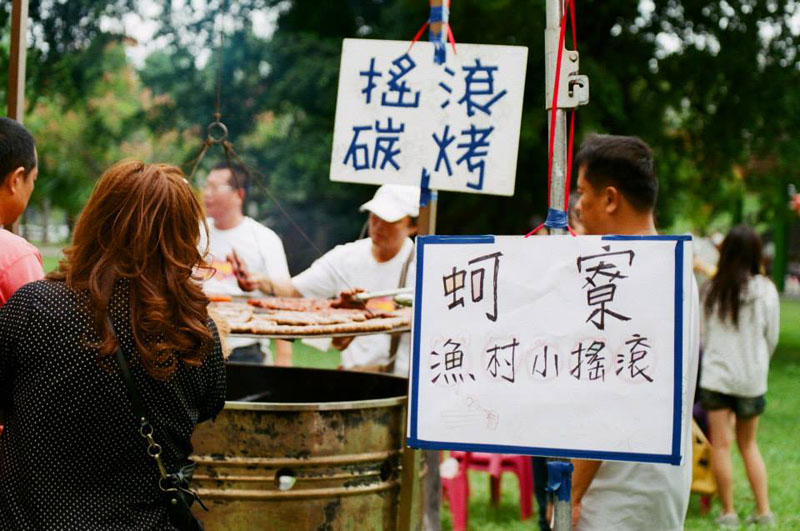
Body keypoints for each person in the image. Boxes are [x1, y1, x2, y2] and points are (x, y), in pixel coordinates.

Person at [0, 160, 226, 528]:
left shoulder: (34, 309)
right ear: (185, 236)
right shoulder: (195, 332)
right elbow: (209, 406)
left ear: (96, 221)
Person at [570, 134, 700, 530]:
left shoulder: (618, 279)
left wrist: (572, 493)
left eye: (582, 193)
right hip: (661, 485)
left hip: (616, 494)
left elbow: (607, 399)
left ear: (610, 199)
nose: (577, 207)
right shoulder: (674, 265)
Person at [232, 183, 419, 376]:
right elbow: (294, 291)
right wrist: (258, 281)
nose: (378, 226)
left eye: (389, 220)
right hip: (355, 374)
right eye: (374, 217)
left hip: (404, 378)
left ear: (412, 226)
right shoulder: (346, 257)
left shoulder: (421, 265)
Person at [699, 225, 779, 528]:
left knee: (721, 446)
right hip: (750, 379)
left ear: (726, 251)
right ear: (755, 253)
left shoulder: (711, 289)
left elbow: (704, 333)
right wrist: (758, 362)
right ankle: (763, 511)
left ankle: (728, 512)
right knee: (749, 445)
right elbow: (770, 337)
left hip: (717, 379)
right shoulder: (765, 290)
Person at [200, 161, 292, 365]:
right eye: (206, 185)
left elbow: (285, 297)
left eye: (215, 187)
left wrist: (284, 358)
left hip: (245, 348)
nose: (207, 193)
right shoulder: (193, 234)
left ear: (239, 194)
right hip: (198, 343)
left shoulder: (264, 238)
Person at [0, 117, 43, 308]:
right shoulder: (15, 257)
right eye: (33, 179)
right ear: (16, 179)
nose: (32, 187)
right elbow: (40, 331)